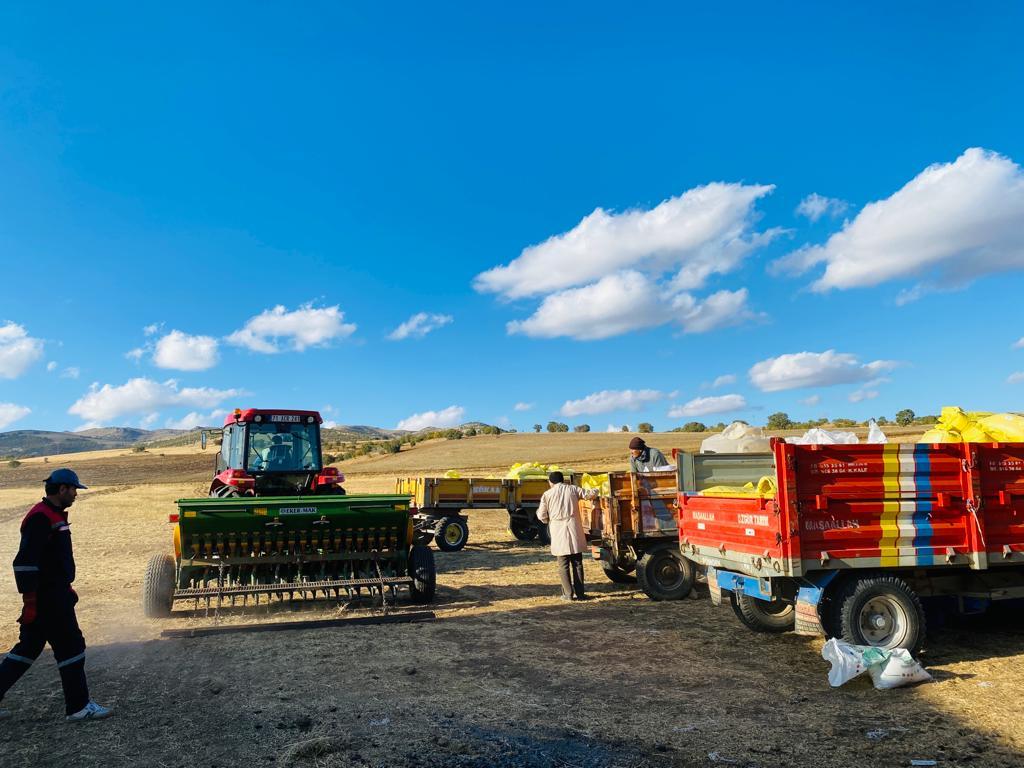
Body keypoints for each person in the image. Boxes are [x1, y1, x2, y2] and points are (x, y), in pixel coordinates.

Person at [0, 469, 111, 722]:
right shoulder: (41, 517)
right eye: (73, 490)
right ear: (62, 489)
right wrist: (31, 602)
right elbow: (24, 563)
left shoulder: (52, 515)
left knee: (27, 649)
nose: (75, 494)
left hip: (53, 594)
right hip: (48, 600)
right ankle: (78, 707)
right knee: (72, 647)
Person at [535, 471, 599, 602]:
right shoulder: (573, 489)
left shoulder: (547, 494)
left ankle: (568, 594)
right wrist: (597, 489)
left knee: (563, 564)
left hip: (558, 529)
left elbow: (541, 515)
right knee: (577, 562)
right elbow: (589, 494)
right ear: (563, 480)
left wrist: (548, 520)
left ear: (550, 482)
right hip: (574, 527)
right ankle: (580, 594)